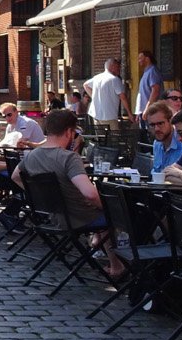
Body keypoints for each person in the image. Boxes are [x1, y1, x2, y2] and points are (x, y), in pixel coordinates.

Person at [13, 108, 121, 274]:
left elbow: (15, 176)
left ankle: (97, 241)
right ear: (69, 132)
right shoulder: (69, 158)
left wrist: (38, 196)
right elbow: (90, 194)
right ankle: (117, 266)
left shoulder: (31, 156)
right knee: (116, 214)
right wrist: (105, 206)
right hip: (78, 216)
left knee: (103, 216)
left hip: (52, 214)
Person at [144, 100, 182, 173]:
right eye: (152, 125)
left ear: (170, 121)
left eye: (160, 123)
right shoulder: (157, 144)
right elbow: (156, 172)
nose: (156, 129)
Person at [83, 58, 130, 123]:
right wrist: (129, 113)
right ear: (112, 66)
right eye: (118, 67)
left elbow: (85, 85)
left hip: (96, 115)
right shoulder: (115, 79)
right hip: (109, 116)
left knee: (100, 133)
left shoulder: (97, 78)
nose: (119, 69)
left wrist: (94, 97)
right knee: (113, 133)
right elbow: (123, 97)